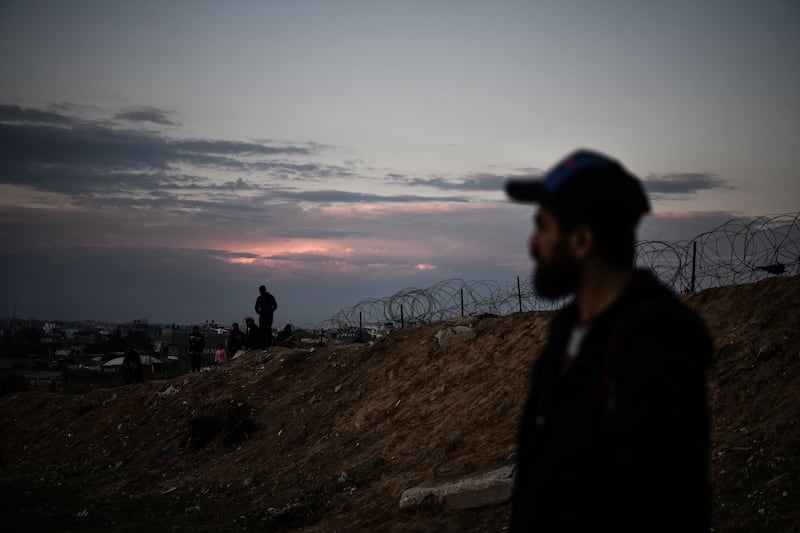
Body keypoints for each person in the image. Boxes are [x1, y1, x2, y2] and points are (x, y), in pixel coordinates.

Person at [504, 149, 712, 532]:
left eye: (544, 227)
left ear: (582, 240)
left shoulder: (655, 345)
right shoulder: (568, 330)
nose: (534, 245)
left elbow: (661, 505)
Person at [254, 285, 278, 349]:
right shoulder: (270, 297)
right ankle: (267, 345)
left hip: (265, 316)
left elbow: (256, 308)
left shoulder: (260, 298)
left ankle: (265, 346)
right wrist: (270, 311)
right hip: (267, 316)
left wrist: (260, 312)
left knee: (264, 331)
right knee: (267, 330)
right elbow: (275, 306)